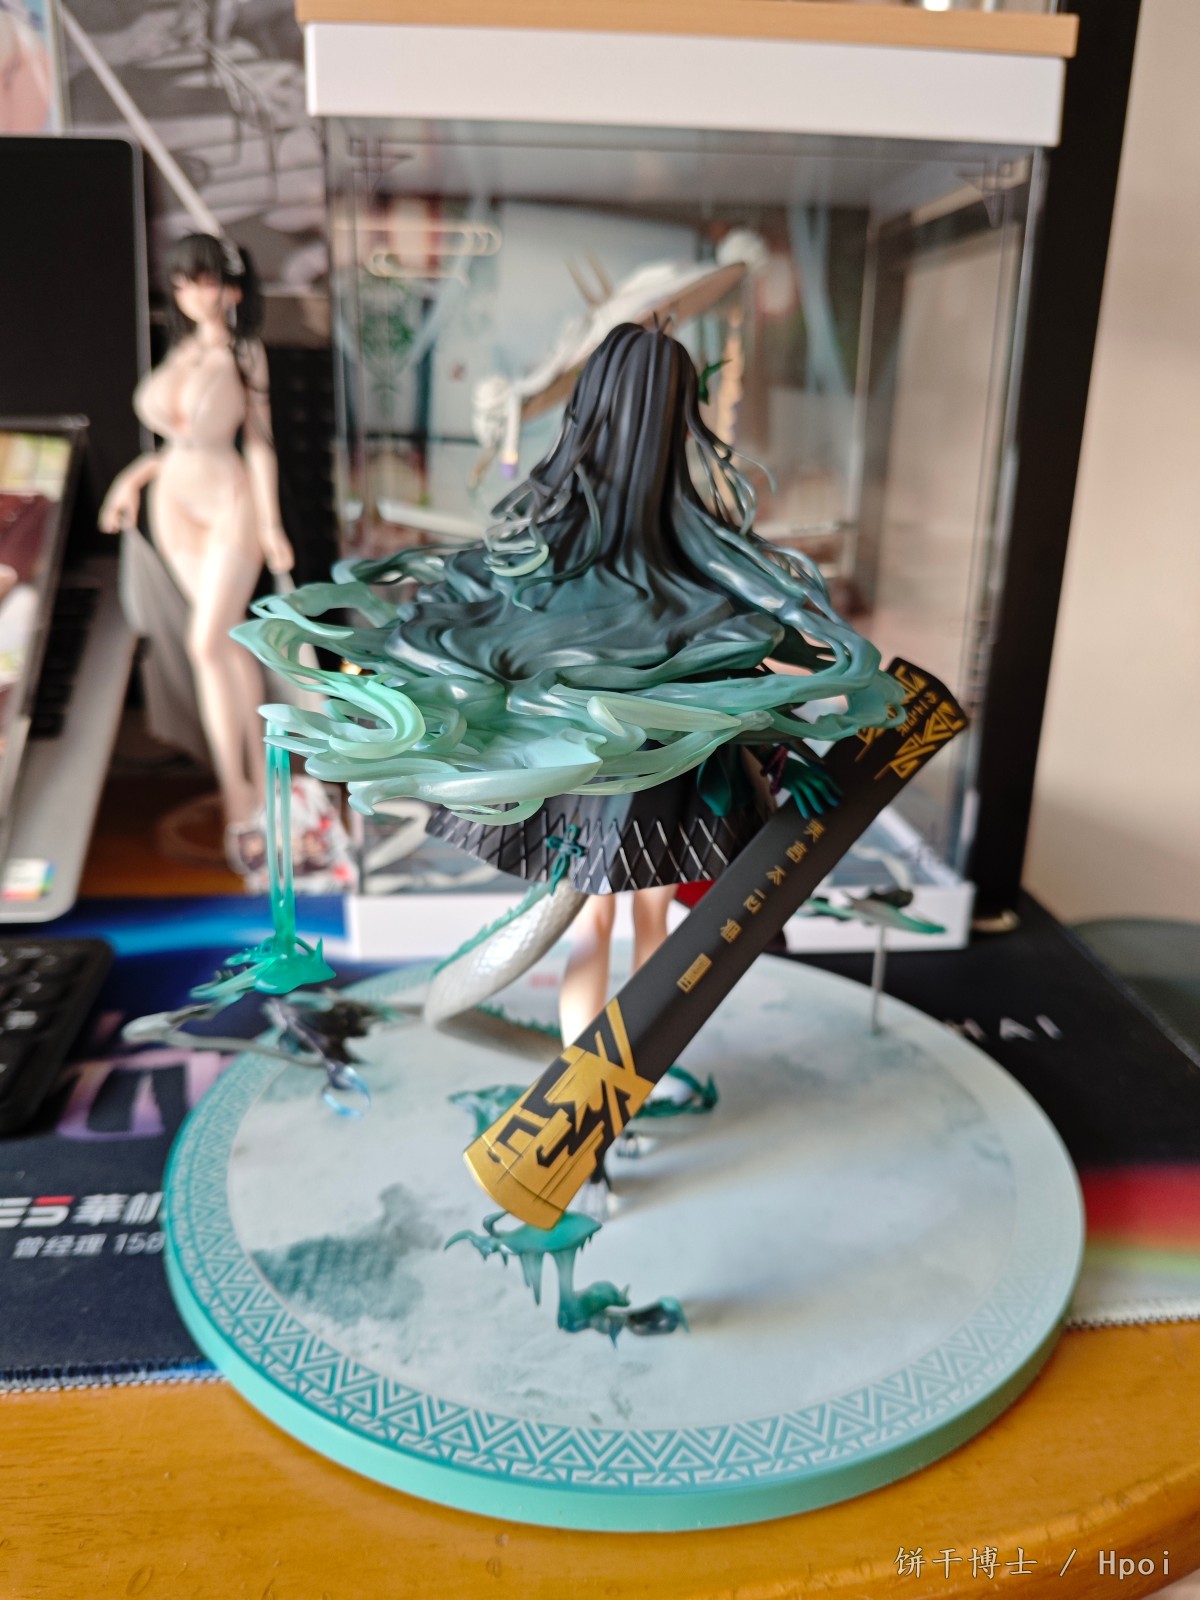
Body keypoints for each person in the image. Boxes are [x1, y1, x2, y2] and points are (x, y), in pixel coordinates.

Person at [239, 323, 901, 1037]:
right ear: (680, 417)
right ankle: (619, 1072)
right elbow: (741, 675)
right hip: (637, 782)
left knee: (607, 922)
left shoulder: (573, 550)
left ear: (589, 408)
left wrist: (788, 756)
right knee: (639, 921)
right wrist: (788, 755)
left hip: (612, 778)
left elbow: (736, 682)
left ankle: (610, 1073)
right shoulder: (690, 555)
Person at [99, 234, 294, 844]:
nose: (191, 294)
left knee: (209, 639)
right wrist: (132, 478)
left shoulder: (245, 353)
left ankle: (258, 781)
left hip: (229, 499)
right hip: (174, 502)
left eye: (203, 281)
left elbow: (259, 442)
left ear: (232, 289)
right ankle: (239, 787)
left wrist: (271, 523)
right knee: (222, 644)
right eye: (182, 283)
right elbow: (174, 443)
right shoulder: (179, 350)